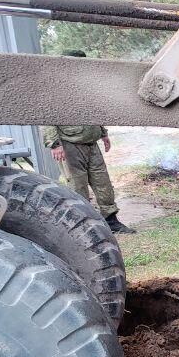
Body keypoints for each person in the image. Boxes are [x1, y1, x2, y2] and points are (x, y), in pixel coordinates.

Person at [43, 52, 134, 234]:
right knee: (77, 186)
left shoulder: (87, 85)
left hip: (91, 143)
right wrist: (54, 143)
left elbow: (95, 111)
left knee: (103, 183)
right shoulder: (56, 87)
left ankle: (111, 220)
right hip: (69, 144)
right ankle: (83, 225)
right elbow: (46, 115)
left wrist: (103, 133)